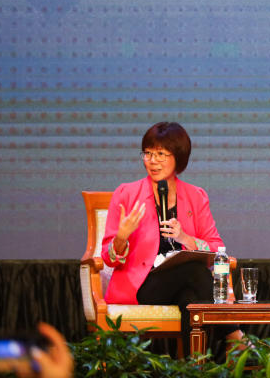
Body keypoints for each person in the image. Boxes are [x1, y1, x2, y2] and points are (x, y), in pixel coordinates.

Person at [101, 121, 244, 353]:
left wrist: (187, 238)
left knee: (192, 303)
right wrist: (121, 238)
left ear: (179, 157)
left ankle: (193, 369)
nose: (152, 160)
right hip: (142, 285)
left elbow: (217, 248)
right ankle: (234, 335)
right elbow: (108, 258)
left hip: (183, 285)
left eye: (160, 154)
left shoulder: (196, 196)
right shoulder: (126, 194)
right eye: (147, 153)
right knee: (195, 273)